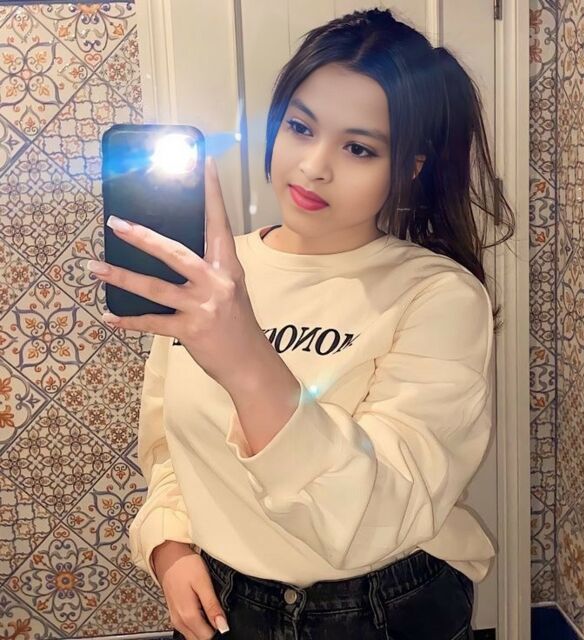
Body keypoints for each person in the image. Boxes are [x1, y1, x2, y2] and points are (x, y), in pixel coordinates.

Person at [127, 7, 515, 640]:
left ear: (410, 167)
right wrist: (168, 546)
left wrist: (246, 359)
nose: (313, 166)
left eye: (359, 148)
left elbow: (375, 514)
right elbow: (167, 443)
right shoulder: (214, 279)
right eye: (300, 127)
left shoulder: (439, 296)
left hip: (382, 607)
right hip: (224, 604)